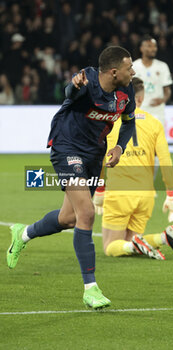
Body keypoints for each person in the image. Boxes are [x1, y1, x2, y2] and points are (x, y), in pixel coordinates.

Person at [7, 46, 136, 309]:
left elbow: (129, 121)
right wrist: (73, 85)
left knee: (69, 218)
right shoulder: (86, 81)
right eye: (128, 67)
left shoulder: (126, 90)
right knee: (87, 213)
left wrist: (119, 147)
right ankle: (91, 288)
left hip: (94, 154)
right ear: (114, 72)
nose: (132, 72)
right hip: (67, 148)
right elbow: (71, 92)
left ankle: (23, 234)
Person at [93, 77, 173, 260]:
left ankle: (142, 243)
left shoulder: (109, 123)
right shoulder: (154, 123)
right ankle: (164, 237)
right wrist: (171, 195)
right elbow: (165, 160)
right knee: (130, 243)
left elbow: (99, 159)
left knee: (110, 246)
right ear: (140, 99)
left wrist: (99, 190)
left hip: (119, 193)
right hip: (146, 196)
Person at [133, 35, 173, 125]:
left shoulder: (162, 66)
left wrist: (163, 99)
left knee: (158, 138)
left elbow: (167, 90)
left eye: (154, 46)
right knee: (141, 138)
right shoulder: (134, 66)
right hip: (140, 110)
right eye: (149, 46)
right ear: (141, 48)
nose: (153, 49)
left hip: (157, 111)